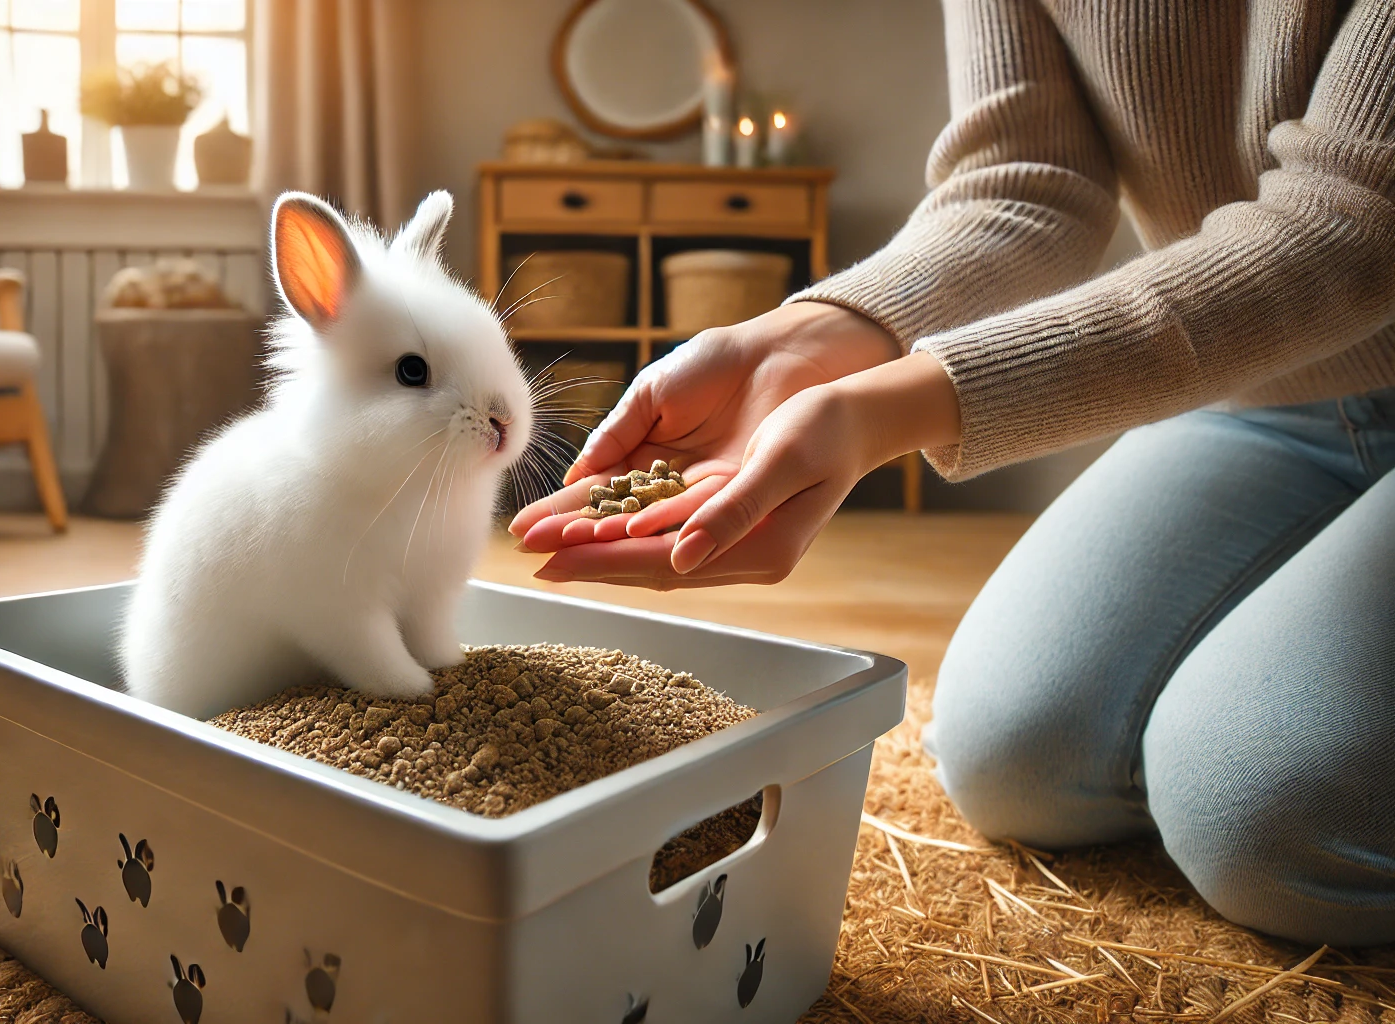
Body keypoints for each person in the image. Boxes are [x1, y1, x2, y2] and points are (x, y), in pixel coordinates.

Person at [509, 0, 1395, 946]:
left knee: (1262, 819)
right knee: (1015, 761)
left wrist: (887, 409)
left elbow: (1352, 223)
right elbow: (1024, 183)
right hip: (1261, 401)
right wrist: (794, 344)